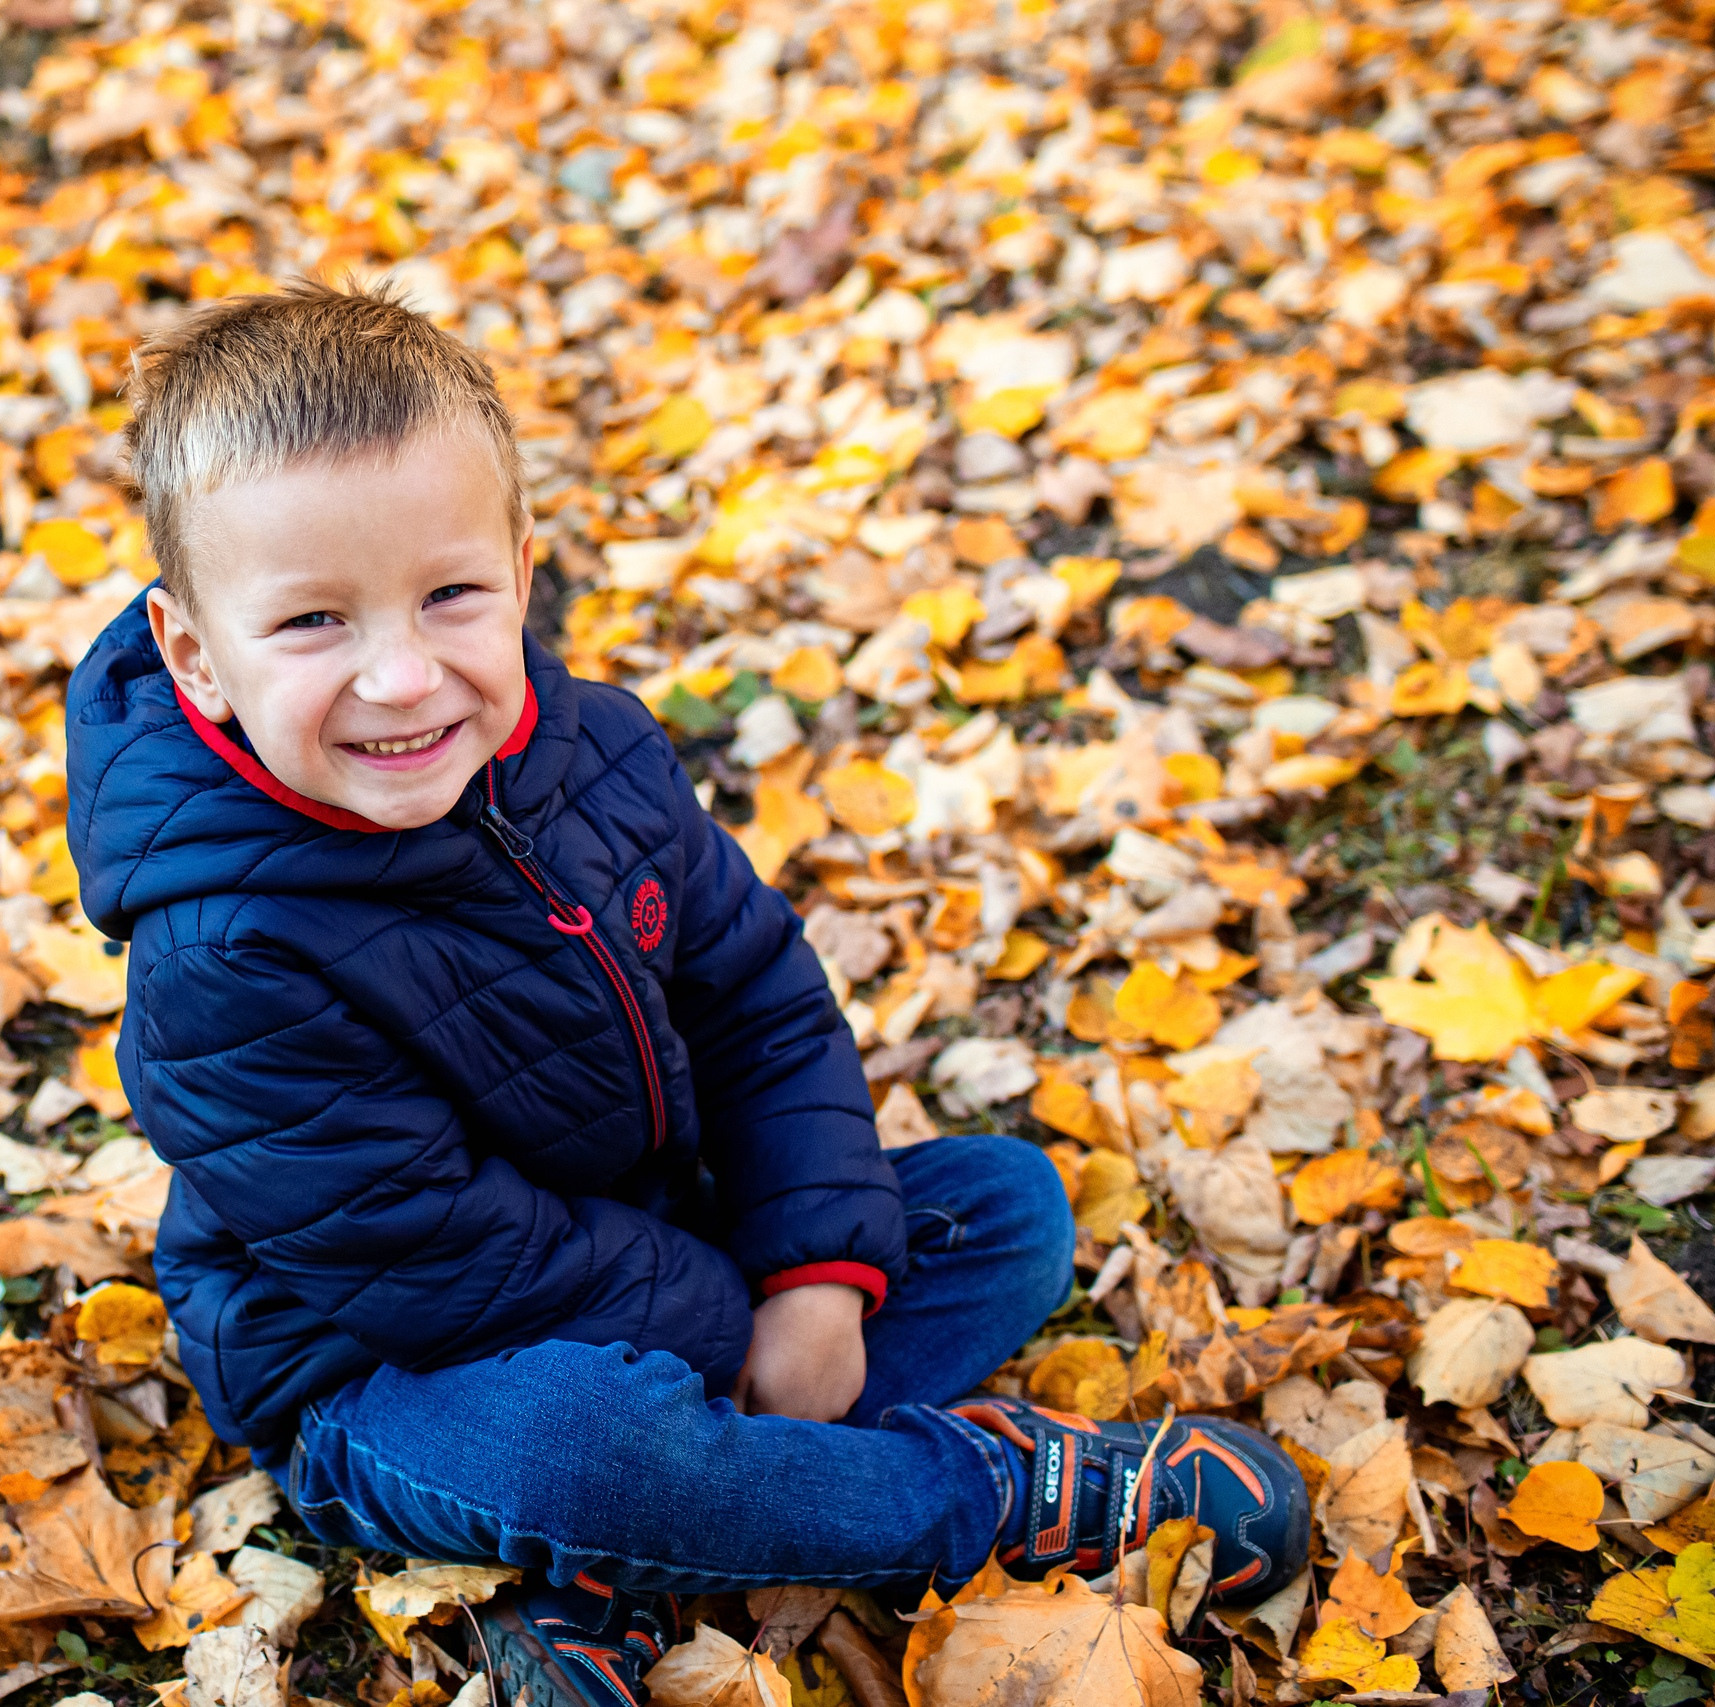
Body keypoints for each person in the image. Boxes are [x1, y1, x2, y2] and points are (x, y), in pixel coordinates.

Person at [63, 281, 1306, 1707]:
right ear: (193, 653)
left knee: (1006, 1211)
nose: (402, 677)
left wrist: (818, 1280)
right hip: (392, 1376)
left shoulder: (597, 753)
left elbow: (760, 1002)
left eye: (450, 595)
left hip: (663, 1235)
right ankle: (977, 1499)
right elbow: (439, 1264)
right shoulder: (225, 953)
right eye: (313, 624)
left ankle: (613, 1575)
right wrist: (746, 1332)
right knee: (580, 1448)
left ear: (522, 569)